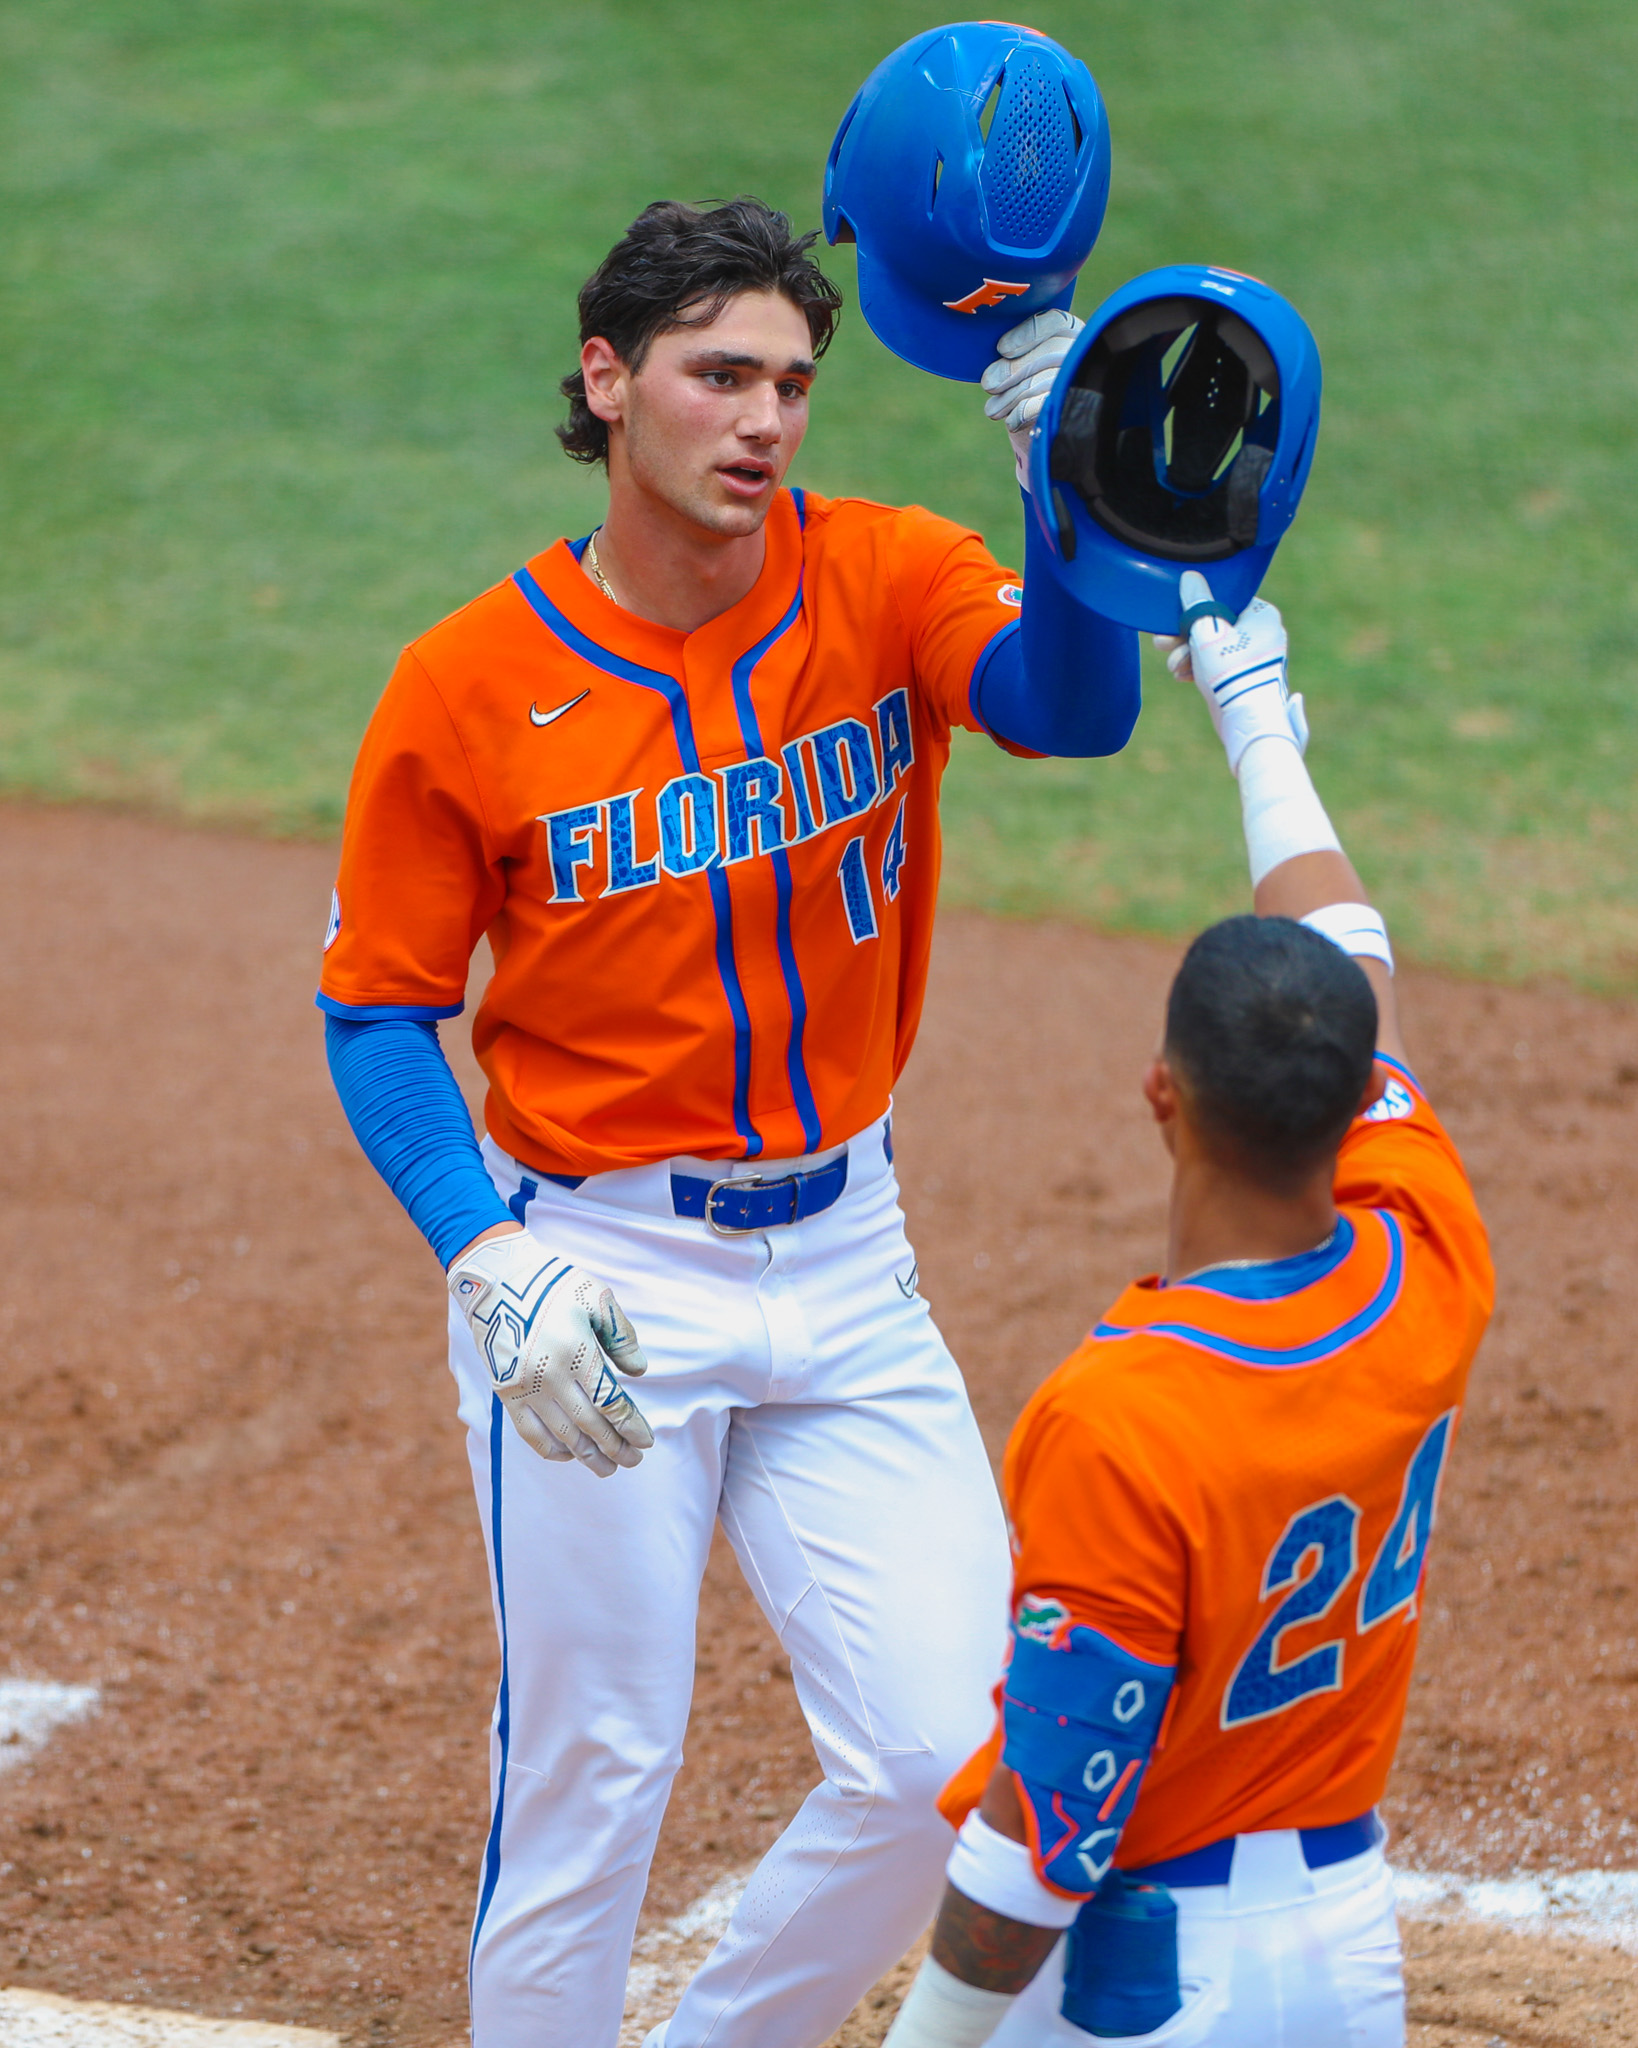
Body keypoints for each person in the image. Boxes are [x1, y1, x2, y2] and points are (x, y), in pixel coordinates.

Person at [317, 196, 1138, 2048]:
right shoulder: (466, 687)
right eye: (716, 377)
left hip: (850, 1265)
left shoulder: (887, 576)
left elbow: (1067, 715)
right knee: (594, 1773)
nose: (762, 420)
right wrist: (489, 1255)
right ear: (609, 383)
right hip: (595, 1274)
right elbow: (375, 1008)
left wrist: (1061, 499)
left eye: (790, 382)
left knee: (949, 1755)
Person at [882, 573, 1495, 2048]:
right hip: (1346, 1963)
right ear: (1357, 1102)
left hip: (1143, 1992)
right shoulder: (1427, 1252)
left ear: (1160, 1095)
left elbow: (1048, 1821)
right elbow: (1357, 956)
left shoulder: (1122, 1416)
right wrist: (1254, 725)